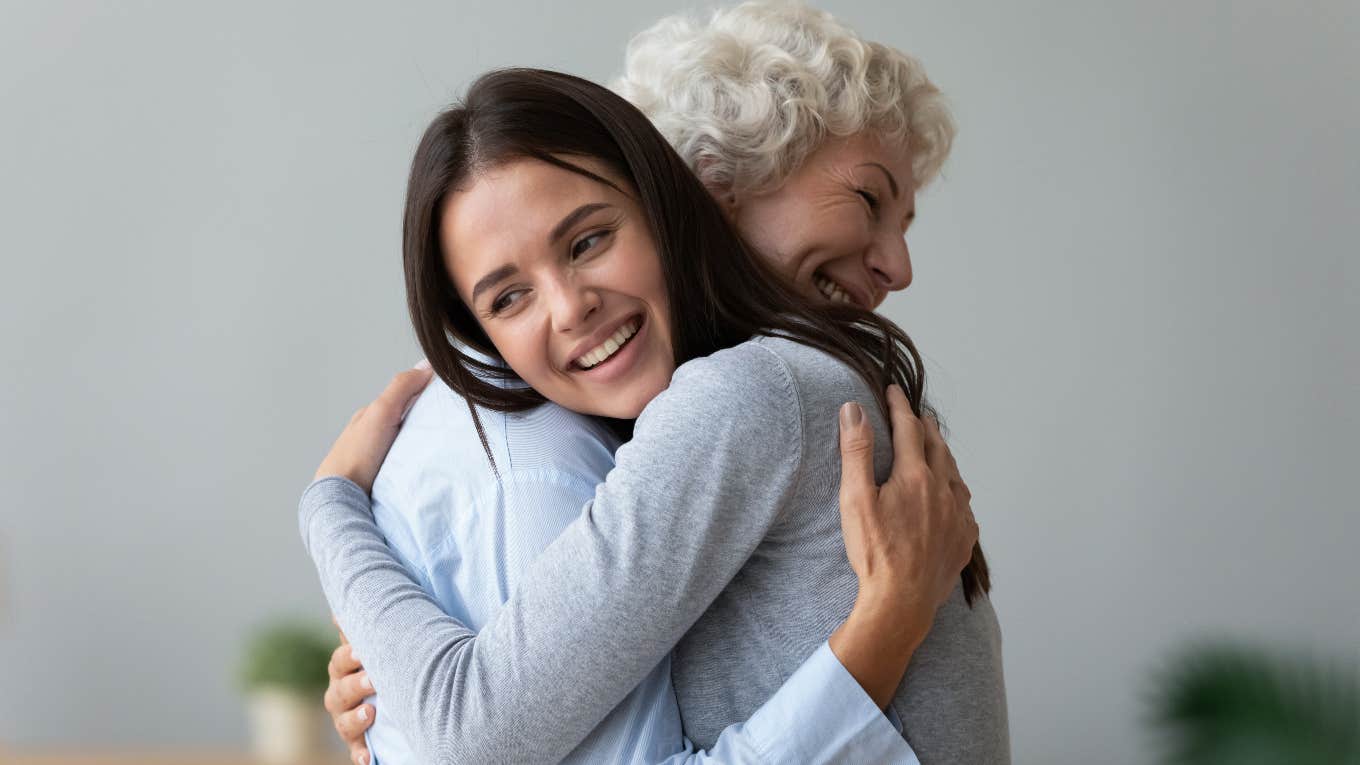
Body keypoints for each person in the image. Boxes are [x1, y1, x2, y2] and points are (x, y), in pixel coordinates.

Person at [302, 62, 1007, 765]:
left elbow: (469, 733)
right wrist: (382, 683)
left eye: (588, 242)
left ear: (663, 203)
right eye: (508, 298)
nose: (570, 306)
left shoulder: (747, 395)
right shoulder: (778, 385)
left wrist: (330, 506)